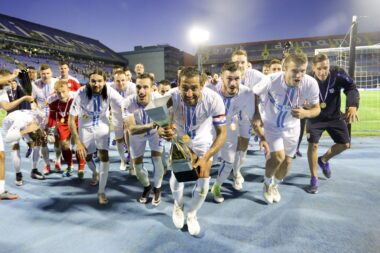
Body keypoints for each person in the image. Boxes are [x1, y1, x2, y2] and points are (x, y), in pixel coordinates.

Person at [158, 67, 227, 236]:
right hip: (181, 138)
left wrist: (207, 157)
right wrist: (161, 129)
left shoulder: (214, 99)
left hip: (203, 139)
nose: (189, 94)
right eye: (184, 88)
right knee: (178, 176)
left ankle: (192, 213)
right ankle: (178, 204)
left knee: (203, 178)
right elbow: (159, 124)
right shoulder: (169, 97)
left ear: (202, 85)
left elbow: (222, 133)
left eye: (194, 88)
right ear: (178, 85)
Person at [252, 53, 321, 204]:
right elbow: (254, 93)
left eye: (302, 71)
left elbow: (317, 109)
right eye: (295, 71)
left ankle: (275, 185)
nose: (299, 75)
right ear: (285, 68)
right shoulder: (271, 80)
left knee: (288, 162)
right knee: (278, 157)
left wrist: (306, 113)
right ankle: (266, 182)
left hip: (293, 126)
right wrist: (256, 115)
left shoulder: (310, 84)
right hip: (271, 124)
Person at [210, 62, 269, 203]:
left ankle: (216, 186)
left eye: (236, 79)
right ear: (221, 78)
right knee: (205, 159)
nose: (233, 82)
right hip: (209, 127)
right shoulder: (210, 89)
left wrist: (262, 137)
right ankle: (200, 185)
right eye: (229, 78)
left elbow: (251, 119)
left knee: (229, 161)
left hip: (229, 127)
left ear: (241, 78)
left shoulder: (247, 93)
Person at [305, 53, 359, 194]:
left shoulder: (338, 74)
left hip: (334, 115)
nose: (323, 72)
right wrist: (303, 103)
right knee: (313, 145)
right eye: (319, 69)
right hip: (315, 116)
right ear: (313, 68)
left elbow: (351, 87)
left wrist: (352, 104)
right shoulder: (307, 78)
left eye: (326, 68)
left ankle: (323, 160)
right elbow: (297, 92)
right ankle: (314, 178)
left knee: (345, 145)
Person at [68, 69, 123, 205]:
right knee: (85, 155)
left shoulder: (109, 91)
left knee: (104, 155)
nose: (96, 84)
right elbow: (71, 119)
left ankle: (101, 191)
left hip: (102, 126)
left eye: (100, 81)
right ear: (89, 81)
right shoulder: (81, 93)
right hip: (85, 126)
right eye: (93, 81)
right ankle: (95, 172)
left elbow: (124, 104)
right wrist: (78, 142)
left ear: (104, 82)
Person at [122, 73, 165, 206]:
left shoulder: (159, 99)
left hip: (154, 132)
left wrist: (164, 127)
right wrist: (153, 125)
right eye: (138, 87)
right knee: (137, 168)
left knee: (157, 159)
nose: (141, 91)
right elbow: (132, 129)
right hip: (138, 134)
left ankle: (157, 189)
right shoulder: (128, 102)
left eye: (145, 87)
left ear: (153, 88)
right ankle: (147, 187)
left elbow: (166, 121)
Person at [231, 49, 265, 186]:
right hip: (231, 116)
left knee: (243, 145)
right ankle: (232, 171)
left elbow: (270, 83)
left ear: (247, 63)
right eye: (236, 62)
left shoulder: (255, 75)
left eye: (242, 62)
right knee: (234, 144)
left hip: (246, 117)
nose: (239, 65)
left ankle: (236, 171)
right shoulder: (227, 75)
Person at [0, 69, 35, 199]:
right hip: (9, 122)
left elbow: (7, 107)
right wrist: (13, 75)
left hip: (8, 122)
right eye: (8, 79)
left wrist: (24, 98)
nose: (10, 81)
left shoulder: (3, 91)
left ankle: (1, 191)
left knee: (1, 156)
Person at [48, 80, 86, 178]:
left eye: (63, 91)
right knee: (64, 145)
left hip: (76, 121)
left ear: (68, 90)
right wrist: (51, 131)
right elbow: (52, 116)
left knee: (79, 145)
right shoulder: (52, 100)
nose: (61, 94)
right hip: (63, 122)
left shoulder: (76, 98)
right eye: (58, 92)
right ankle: (70, 166)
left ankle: (81, 168)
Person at [2, 108, 46, 186]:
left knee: (38, 140)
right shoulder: (21, 121)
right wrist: (25, 132)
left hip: (27, 125)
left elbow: (41, 129)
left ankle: (34, 170)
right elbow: (8, 139)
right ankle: (18, 175)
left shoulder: (41, 118)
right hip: (10, 127)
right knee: (15, 146)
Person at [32, 64, 58, 175]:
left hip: (55, 116)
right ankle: (47, 164)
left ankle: (58, 159)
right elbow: (31, 99)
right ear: (40, 74)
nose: (45, 75)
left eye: (47, 73)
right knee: (43, 142)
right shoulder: (34, 84)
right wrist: (34, 107)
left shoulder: (57, 82)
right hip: (41, 117)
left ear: (51, 73)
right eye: (43, 73)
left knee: (57, 141)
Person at [110, 70, 136, 173]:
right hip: (117, 115)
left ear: (127, 79)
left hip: (130, 114)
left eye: (123, 80)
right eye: (118, 81)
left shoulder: (133, 87)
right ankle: (123, 160)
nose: (120, 83)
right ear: (114, 80)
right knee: (119, 139)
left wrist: (131, 118)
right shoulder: (110, 87)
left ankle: (133, 164)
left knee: (130, 139)